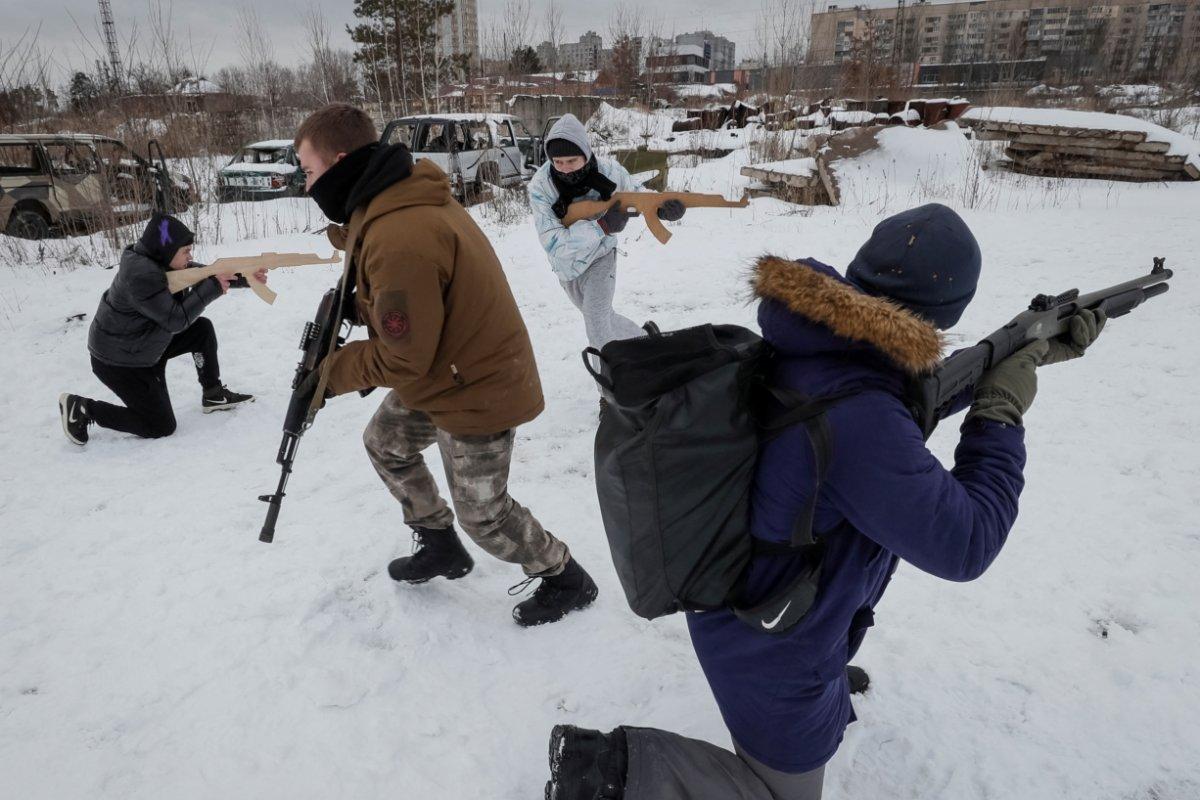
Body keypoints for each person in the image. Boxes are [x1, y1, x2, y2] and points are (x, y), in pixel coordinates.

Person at [543, 203, 1107, 799]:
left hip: (764, 601)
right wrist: (1001, 411)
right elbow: (965, 545)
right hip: (772, 645)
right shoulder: (860, 417)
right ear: (948, 312)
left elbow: (902, 399)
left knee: (824, 671)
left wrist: (1026, 348)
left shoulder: (821, 342)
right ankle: (608, 770)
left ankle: (827, 687)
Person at [294, 103, 598, 627]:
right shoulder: (387, 203)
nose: (306, 186)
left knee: (485, 515)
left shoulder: (399, 234)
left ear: (341, 161)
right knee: (386, 443)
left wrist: (331, 375)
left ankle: (564, 575)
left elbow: (399, 354)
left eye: (309, 172)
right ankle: (439, 544)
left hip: (476, 387)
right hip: (445, 370)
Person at [59, 212, 256, 445]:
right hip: (120, 362)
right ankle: (83, 408)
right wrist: (213, 287)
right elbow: (175, 321)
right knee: (160, 426)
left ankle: (213, 394)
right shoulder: (141, 275)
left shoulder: (159, 261)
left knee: (201, 330)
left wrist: (245, 278)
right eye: (185, 251)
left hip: (143, 345)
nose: (190, 256)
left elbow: (199, 273)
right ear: (166, 250)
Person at [528, 113, 685, 350]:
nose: (565, 169)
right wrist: (602, 225)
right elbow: (554, 244)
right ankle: (645, 338)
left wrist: (660, 208)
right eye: (558, 162)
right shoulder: (541, 187)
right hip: (566, 267)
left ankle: (612, 384)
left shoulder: (610, 172)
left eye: (572, 161)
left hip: (601, 257)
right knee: (603, 318)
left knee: (597, 327)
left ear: (586, 153)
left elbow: (636, 193)